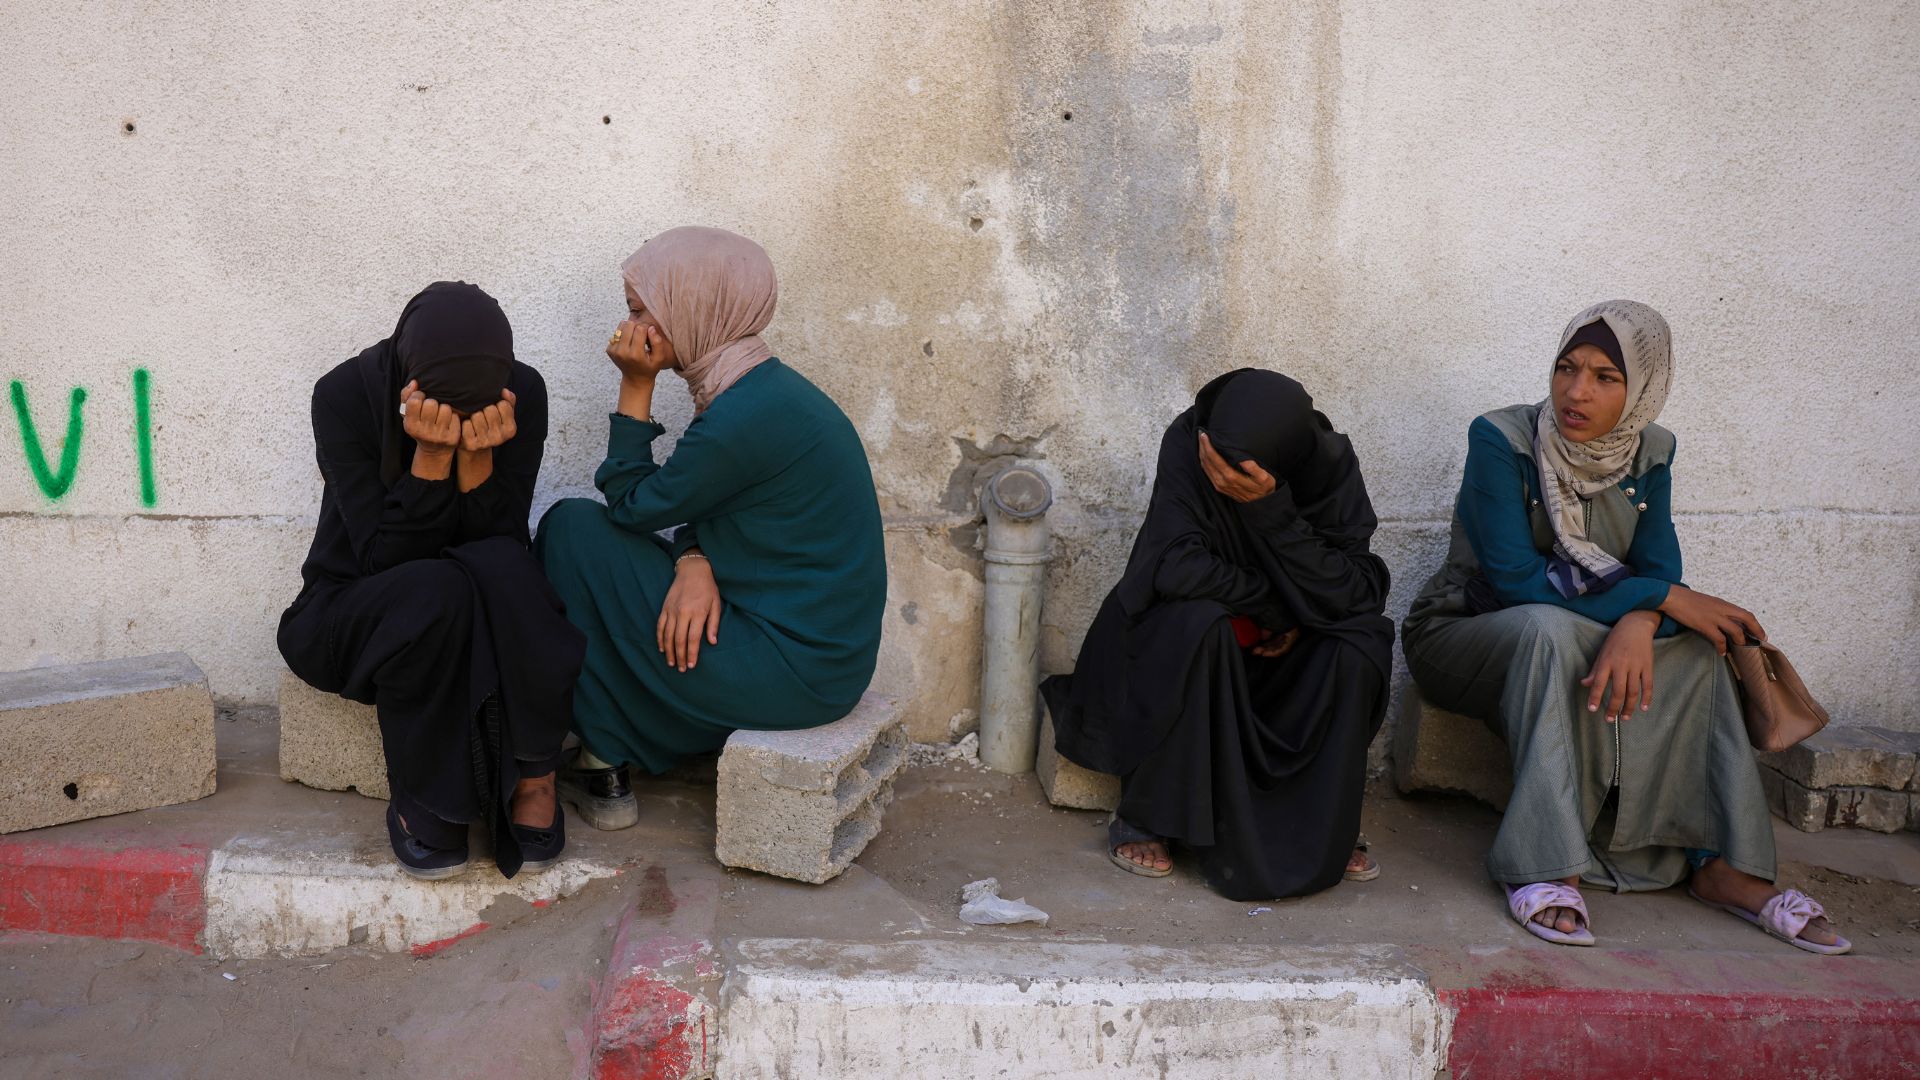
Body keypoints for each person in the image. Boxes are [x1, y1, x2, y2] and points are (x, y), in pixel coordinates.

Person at [1401, 300, 1849, 954]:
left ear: (1642, 389)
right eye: (1567, 368)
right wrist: (1658, 597)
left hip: (1576, 625)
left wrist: (1643, 618)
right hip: (1468, 631)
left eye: (1606, 377)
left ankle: (1725, 866)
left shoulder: (1653, 450)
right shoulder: (1501, 440)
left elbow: (1658, 563)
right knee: (1545, 627)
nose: (1576, 392)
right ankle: (1547, 865)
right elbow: (1518, 582)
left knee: (1702, 643)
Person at [537, 226, 886, 829]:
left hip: (792, 672)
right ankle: (625, 738)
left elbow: (631, 504)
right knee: (614, 564)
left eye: (642, 311)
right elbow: (721, 505)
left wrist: (635, 384)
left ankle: (605, 752)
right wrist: (693, 558)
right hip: (818, 666)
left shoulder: (743, 417)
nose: (629, 330)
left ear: (694, 308)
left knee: (573, 531)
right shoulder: (763, 393)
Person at [1041, 369, 1394, 901]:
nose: (1223, 477)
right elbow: (1174, 566)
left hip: (1282, 654)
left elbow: (1355, 591)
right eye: (1219, 465)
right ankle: (1150, 815)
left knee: (1359, 644)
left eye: (1242, 472)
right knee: (1197, 623)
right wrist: (1280, 606)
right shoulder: (1190, 442)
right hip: (1196, 647)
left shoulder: (1327, 467)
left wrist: (1270, 511)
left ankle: (1320, 822)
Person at [279, 281, 585, 881]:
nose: (463, 416)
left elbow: (502, 541)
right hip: (352, 610)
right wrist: (430, 459)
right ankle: (429, 796)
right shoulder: (345, 395)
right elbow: (377, 559)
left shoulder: (525, 394)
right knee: (438, 590)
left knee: (506, 569)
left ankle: (535, 772)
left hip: (476, 605)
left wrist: (476, 462)